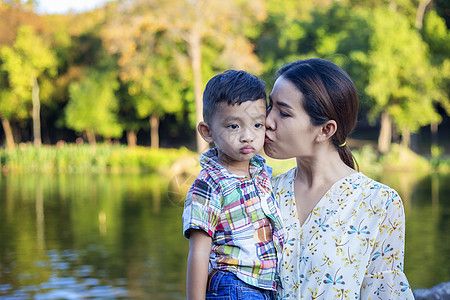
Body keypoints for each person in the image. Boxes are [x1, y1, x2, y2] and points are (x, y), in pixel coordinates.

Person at [264, 58, 414, 299]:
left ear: (325, 130)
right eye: (270, 107)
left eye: (284, 113)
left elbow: (382, 292)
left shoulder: (378, 203)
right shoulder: (262, 193)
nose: (268, 121)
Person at [182, 70, 284, 300]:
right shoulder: (210, 184)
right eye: (233, 126)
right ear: (207, 132)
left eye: (257, 125)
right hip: (233, 284)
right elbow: (199, 251)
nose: (248, 136)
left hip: (264, 286)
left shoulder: (260, 173)